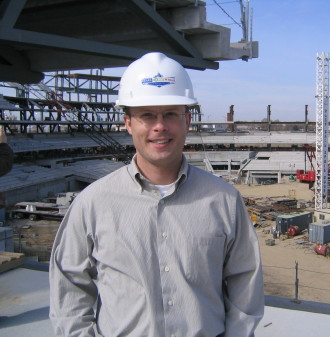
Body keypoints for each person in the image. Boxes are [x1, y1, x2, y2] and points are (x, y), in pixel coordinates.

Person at [49, 52, 264, 337]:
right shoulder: (93, 203)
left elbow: (244, 283)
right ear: (128, 123)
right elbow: (70, 290)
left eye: (171, 114)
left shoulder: (224, 200)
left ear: (187, 121)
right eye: (147, 115)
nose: (159, 126)